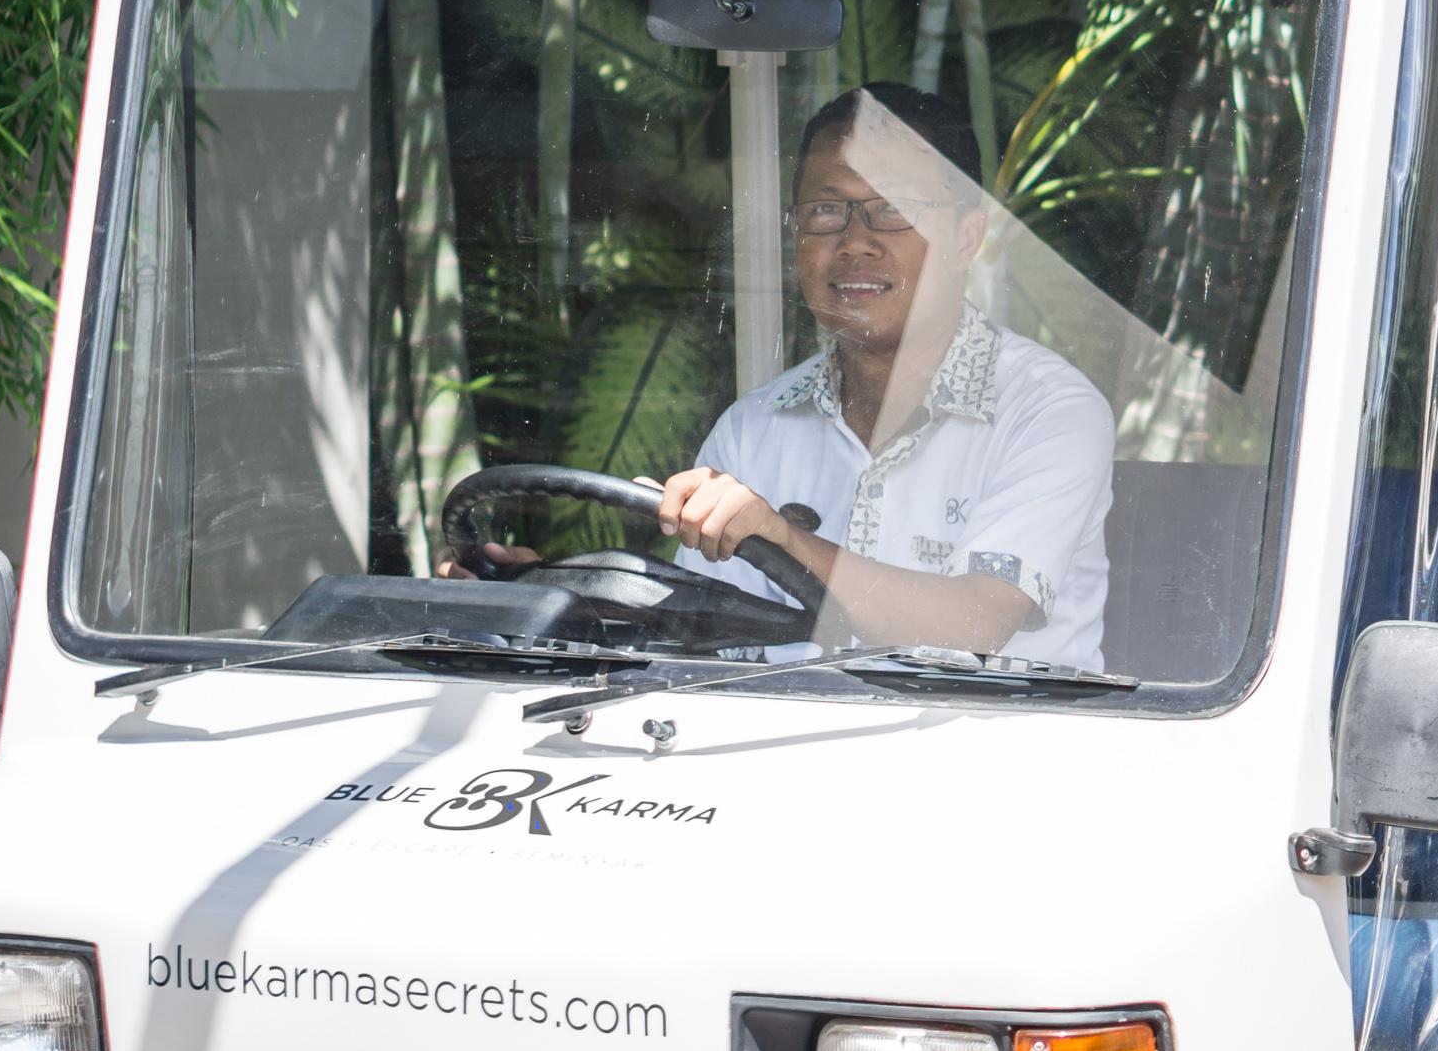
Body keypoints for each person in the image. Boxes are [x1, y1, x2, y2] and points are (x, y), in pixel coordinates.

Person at [456, 82, 1115, 668]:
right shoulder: (754, 427)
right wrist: (558, 593)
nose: (855, 240)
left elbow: (978, 624)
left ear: (967, 238)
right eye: (827, 211)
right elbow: (696, 636)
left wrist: (782, 537)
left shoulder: (1049, 411)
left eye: (894, 208)